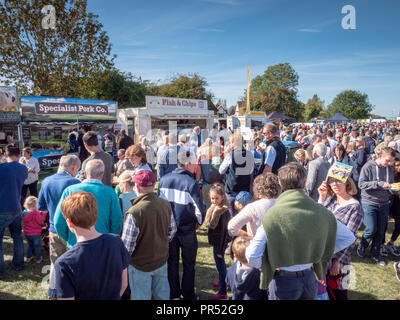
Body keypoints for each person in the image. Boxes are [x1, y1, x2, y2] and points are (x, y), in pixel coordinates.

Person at [245, 162, 356, 300]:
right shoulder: (321, 212)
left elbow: (251, 255)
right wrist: (319, 252)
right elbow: (348, 238)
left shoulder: (273, 215)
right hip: (309, 278)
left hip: (284, 280)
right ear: (304, 184)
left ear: (280, 183)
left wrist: (267, 264)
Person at [54, 191, 130, 300]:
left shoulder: (64, 263)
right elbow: (124, 283)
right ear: (96, 215)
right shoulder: (116, 242)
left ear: (69, 223)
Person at [158, 150, 206, 300]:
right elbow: (200, 209)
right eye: (193, 163)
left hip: (169, 229)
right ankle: (188, 294)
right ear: (187, 164)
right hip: (186, 230)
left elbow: (160, 204)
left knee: (172, 262)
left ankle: (174, 294)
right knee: (188, 264)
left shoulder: (164, 180)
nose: (195, 166)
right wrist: (198, 222)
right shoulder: (191, 183)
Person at [121, 170, 176, 300]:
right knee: (163, 296)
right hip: (161, 260)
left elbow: (126, 247)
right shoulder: (165, 204)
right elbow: (172, 231)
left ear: (137, 188)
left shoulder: (134, 212)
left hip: (140, 266)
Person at [37, 154, 81, 298]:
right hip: (72, 229)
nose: (77, 172)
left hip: (54, 228)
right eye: (77, 169)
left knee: (55, 262)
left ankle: (54, 292)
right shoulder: (75, 182)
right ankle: (72, 291)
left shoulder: (46, 181)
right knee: (74, 263)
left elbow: (41, 208)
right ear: (74, 167)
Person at [54, 159, 122, 248]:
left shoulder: (70, 190)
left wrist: (69, 238)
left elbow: (58, 222)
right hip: (102, 243)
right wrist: (110, 239)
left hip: (76, 242)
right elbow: (116, 221)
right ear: (102, 174)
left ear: (85, 173)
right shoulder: (110, 192)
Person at [318, 177, 363, 300]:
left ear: (348, 183)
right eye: (332, 181)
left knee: (338, 293)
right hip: (322, 255)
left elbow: (351, 237)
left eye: (339, 181)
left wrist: (337, 261)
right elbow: (316, 220)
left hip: (339, 259)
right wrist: (321, 198)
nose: (335, 184)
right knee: (322, 291)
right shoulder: (331, 200)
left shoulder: (355, 207)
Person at [357, 147, 395, 266]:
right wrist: (378, 183)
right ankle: (362, 245)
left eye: (391, 161)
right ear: (380, 157)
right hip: (369, 202)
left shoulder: (389, 169)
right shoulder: (368, 167)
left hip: (384, 203)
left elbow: (390, 184)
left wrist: (393, 189)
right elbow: (361, 184)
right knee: (371, 229)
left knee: (380, 231)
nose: (389, 163)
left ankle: (375, 254)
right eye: (388, 161)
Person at [0, 145, 28, 279]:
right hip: (16, 207)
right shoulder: (23, 169)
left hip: (3, 208)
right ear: (18, 154)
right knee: (17, 236)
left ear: (6, 154)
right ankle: (18, 263)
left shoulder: (2, 168)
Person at [228, 173, 280, 238]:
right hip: (279, 245)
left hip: (257, 244)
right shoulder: (283, 204)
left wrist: (247, 235)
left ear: (257, 189)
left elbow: (231, 227)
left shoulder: (252, 207)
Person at [205, 183, 231, 300]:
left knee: (220, 266)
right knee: (218, 265)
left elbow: (223, 234)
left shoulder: (223, 212)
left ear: (223, 197)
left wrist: (221, 250)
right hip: (216, 242)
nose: (214, 200)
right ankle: (222, 280)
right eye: (212, 198)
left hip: (219, 244)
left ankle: (223, 292)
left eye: (217, 198)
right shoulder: (214, 208)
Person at [219, 133, 254, 216]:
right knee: (244, 215)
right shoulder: (249, 154)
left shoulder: (230, 155)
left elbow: (221, 170)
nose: (230, 144)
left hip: (232, 189)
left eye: (231, 142)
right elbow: (251, 171)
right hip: (244, 189)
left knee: (232, 215)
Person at [22, 196, 47, 264]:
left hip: (27, 233)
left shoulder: (24, 213)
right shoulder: (35, 213)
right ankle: (38, 258)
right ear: (35, 205)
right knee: (37, 246)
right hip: (35, 234)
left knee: (30, 245)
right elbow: (40, 221)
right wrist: (44, 214)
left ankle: (28, 257)